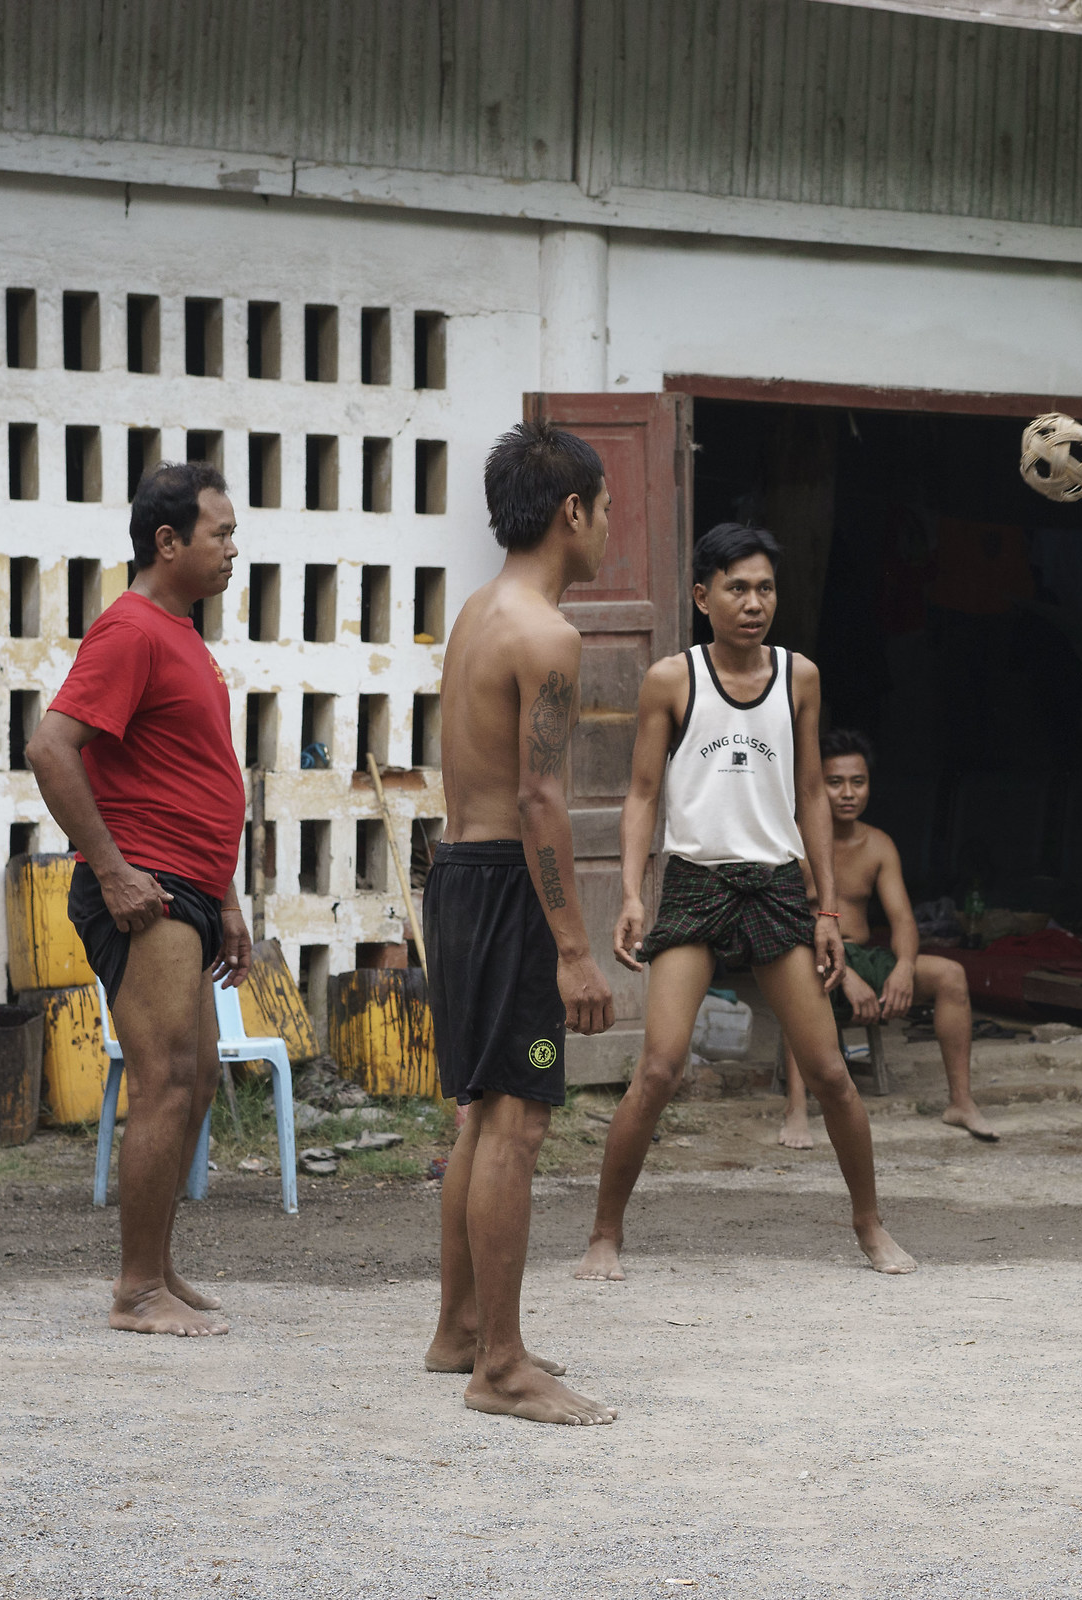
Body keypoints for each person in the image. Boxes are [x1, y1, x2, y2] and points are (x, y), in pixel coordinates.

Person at [582, 523, 915, 1279]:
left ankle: (870, 1226)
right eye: (737, 587)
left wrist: (827, 909)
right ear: (703, 597)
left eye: (765, 587)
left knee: (829, 1072)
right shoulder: (672, 678)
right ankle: (605, 1232)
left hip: (774, 886)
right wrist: (633, 892)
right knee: (660, 1067)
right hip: (697, 884)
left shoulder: (800, 676)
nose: (754, 602)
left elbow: (809, 796)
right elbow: (640, 792)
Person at [417, 421, 619, 1426]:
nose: (610, 525)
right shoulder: (549, 635)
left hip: (455, 872)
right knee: (516, 1120)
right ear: (572, 511)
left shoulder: (475, 613)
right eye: (607, 505)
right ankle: (500, 1364)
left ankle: (461, 1327)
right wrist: (574, 950)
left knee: (478, 1109)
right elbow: (542, 799)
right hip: (504, 882)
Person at [27, 462, 252, 1338]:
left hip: (192, 887)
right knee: (164, 1080)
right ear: (168, 542)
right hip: (145, 886)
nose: (233, 550)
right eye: (220, 534)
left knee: (193, 1085)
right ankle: (133, 1291)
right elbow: (52, 748)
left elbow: (198, 780)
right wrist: (113, 869)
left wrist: (227, 900)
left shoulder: (184, 637)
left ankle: (157, 1267)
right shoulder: (130, 630)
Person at [778, 728, 997, 1150]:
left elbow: (902, 920)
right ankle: (797, 1112)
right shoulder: (795, 844)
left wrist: (902, 968)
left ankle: (961, 1102)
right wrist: (843, 977)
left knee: (950, 975)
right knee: (797, 983)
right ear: (815, 784)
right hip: (810, 957)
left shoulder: (878, 845)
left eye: (857, 782)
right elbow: (785, 925)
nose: (847, 793)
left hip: (862, 955)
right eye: (835, 781)